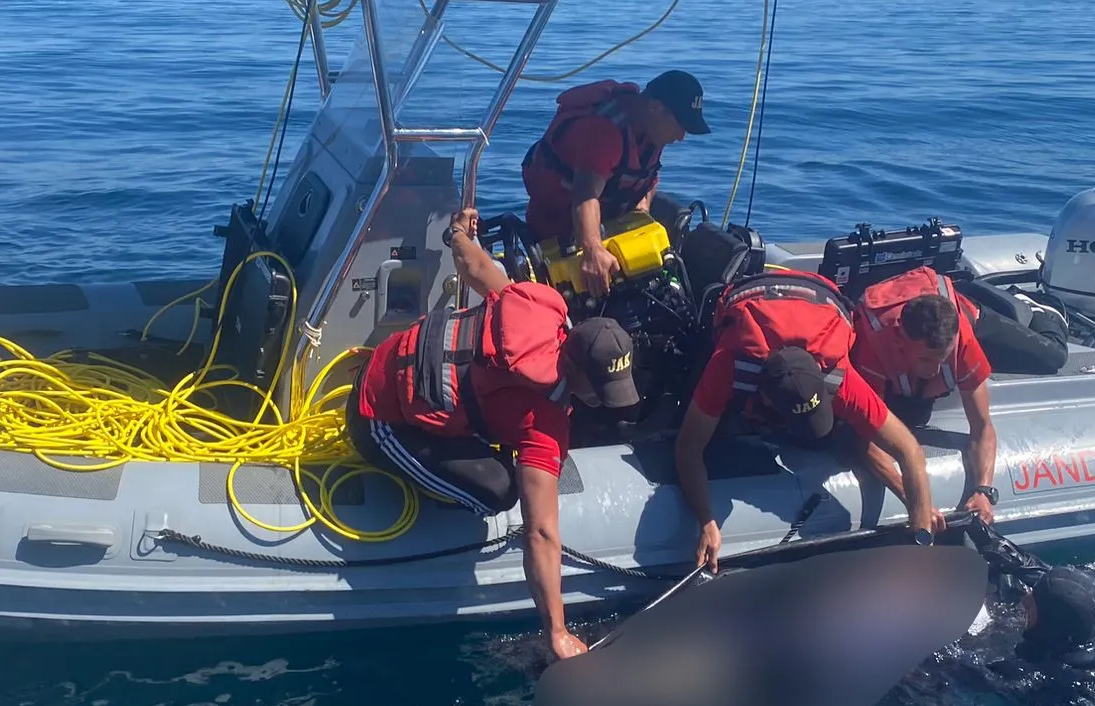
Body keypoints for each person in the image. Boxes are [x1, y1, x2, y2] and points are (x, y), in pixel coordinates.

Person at [351, 208, 639, 659]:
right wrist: (557, 631)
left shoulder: (539, 304)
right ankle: (436, 496)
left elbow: (475, 265)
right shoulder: (543, 424)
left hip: (393, 357)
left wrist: (459, 231)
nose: (603, 402)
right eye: (599, 392)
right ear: (577, 373)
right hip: (379, 418)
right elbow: (540, 533)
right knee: (498, 493)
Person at [675, 269, 940, 572]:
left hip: (815, 301)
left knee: (836, 438)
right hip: (753, 305)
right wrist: (707, 520)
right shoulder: (730, 365)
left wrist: (921, 534)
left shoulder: (839, 378)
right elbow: (688, 448)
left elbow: (908, 449)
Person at [520, 70, 711, 295]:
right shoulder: (605, 132)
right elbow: (585, 195)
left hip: (610, 225)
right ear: (656, 108)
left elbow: (646, 177)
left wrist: (640, 220)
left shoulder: (651, 130)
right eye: (680, 125)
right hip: (556, 238)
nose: (681, 136)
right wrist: (592, 252)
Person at [851, 268, 1001, 525]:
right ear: (901, 341)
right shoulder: (873, 346)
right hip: (888, 333)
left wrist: (983, 490)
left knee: (1051, 354)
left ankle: (1028, 308)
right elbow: (865, 438)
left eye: (940, 360)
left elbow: (982, 426)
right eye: (925, 359)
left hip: (969, 315)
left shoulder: (960, 345)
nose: (934, 370)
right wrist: (915, 499)